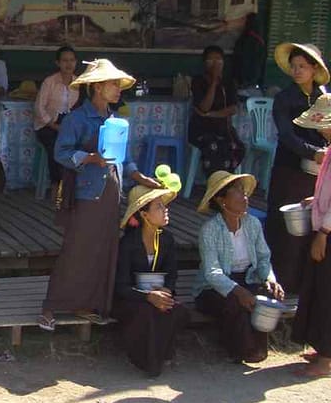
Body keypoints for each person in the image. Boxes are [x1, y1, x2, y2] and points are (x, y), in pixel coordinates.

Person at [38, 59, 162, 331]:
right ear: (96, 87)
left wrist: (140, 177)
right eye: (112, 84)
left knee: (104, 250)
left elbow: (125, 160)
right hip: (86, 193)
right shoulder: (76, 118)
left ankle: (87, 303)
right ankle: (50, 306)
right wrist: (90, 158)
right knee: (76, 249)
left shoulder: (115, 121)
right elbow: (61, 152)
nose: (118, 89)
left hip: (111, 194)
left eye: (118, 84)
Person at [194, 171, 285, 364]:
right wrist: (237, 291)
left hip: (247, 278)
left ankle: (258, 348)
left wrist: (270, 279)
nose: (244, 196)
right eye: (237, 191)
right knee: (235, 303)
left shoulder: (252, 224)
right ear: (221, 200)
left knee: (266, 298)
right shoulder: (209, 230)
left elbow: (263, 258)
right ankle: (238, 350)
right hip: (212, 288)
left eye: (244, 191)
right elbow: (212, 272)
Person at [267, 42, 330, 293]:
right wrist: (312, 152)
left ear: (314, 69)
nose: (297, 71)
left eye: (302, 66)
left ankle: (307, 284)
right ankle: (280, 282)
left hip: (320, 176)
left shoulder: (324, 98)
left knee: (314, 225)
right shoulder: (284, 99)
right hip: (289, 171)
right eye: (294, 67)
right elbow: (286, 135)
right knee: (285, 226)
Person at [112, 184, 190, 376]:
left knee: (178, 310)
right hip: (131, 299)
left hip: (158, 295)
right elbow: (121, 286)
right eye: (159, 207)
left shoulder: (167, 240)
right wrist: (148, 297)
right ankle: (145, 359)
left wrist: (167, 291)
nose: (165, 210)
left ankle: (162, 355)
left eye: (164, 206)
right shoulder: (128, 244)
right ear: (144, 215)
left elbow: (171, 274)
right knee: (146, 312)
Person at [290, 95, 331, 377]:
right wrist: (314, 200)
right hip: (324, 225)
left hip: (328, 232)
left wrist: (324, 232)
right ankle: (322, 346)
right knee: (317, 289)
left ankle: (327, 359)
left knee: (328, 293)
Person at [188, 45, 244, 176]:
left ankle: (227, 180)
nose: (215, 64)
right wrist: (213, 82)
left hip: (223, 129)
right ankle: (215, 182)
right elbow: (204, 107)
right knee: (214, 146)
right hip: (202, 130)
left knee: (237, 147)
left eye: (218, 60)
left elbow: (233, 108)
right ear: (204, 63)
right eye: (210, 60)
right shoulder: (198, 81)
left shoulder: (229, 82)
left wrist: (211, 115)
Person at [34, 45, 78, 186]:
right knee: (56, 147)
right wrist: (54, 126)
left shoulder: (79, 83)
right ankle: (56, 184)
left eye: (71, 60)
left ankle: (74, 184)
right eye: (64, 60)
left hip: (69, 125)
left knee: (83, 145)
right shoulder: (50, 82)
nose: (68, 64)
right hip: (48, 126)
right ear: (58, 63)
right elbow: (39, 108)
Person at [233, 12, 266, 90]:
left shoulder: (244, 39)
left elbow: (238, 60)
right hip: (254, 82)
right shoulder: (260, 41)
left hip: (242, 81)